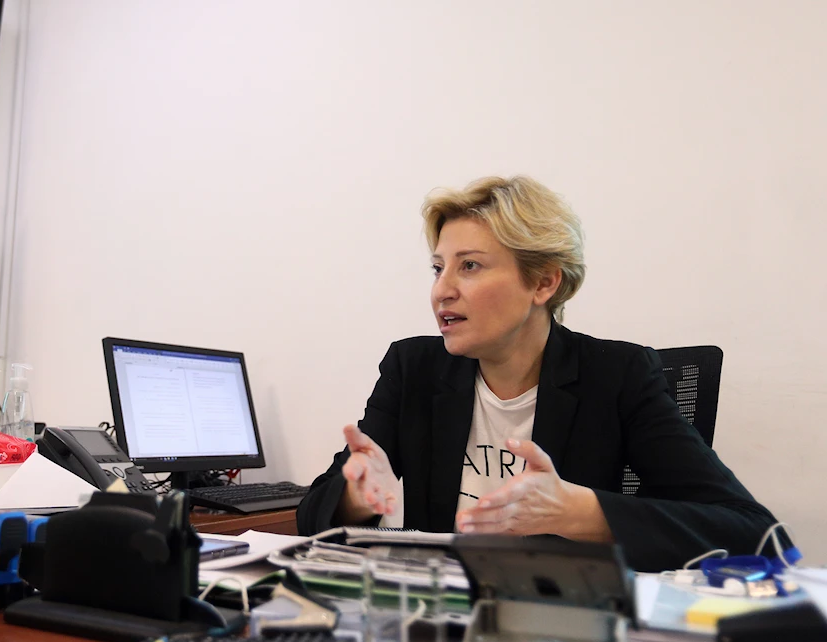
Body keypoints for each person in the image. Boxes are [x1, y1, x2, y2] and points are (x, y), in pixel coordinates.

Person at [295, 176, 780, 572]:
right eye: (438, 268)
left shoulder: (618, 375)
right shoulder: (413, 369)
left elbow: (755, 534)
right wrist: (356, 497)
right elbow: (311, 514)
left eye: (470, 266)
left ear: (544, 282)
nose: (442, 290)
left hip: (564, 619)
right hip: (444, 617)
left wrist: (580, 512)